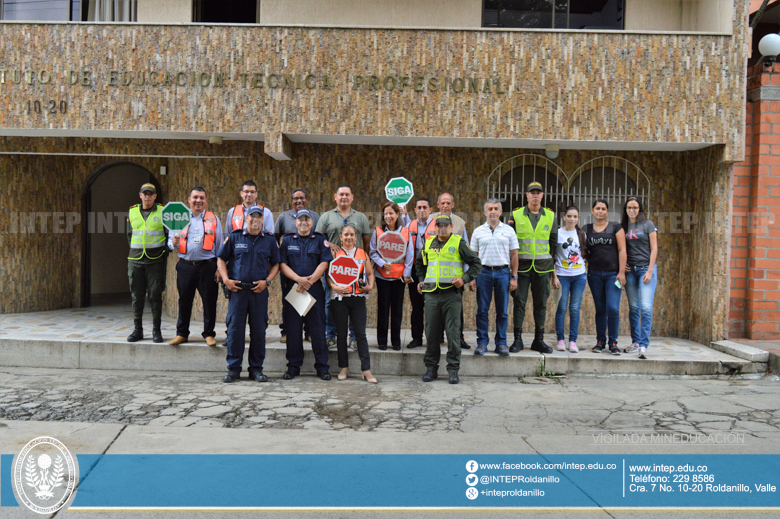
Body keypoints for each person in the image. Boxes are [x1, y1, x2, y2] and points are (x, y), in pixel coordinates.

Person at [417, 214, 482, 384]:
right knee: (431, 334)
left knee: (453, 334)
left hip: (451, 295)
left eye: (445, 225)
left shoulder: (458, 243)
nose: (442, 228)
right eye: (439, 225)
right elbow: (419, 263)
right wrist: (421, 279)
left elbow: (476, 263)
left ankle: (453, 370)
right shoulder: (429, 243)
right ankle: (431, 369)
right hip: (431, 295)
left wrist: (465, 279)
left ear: (451, 227)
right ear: (435, 227)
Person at [217, 206, 280, 382]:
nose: (255, 220)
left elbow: (276, 264)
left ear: (263, 220)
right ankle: (233, 369)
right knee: (235, 330)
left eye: (259, 217)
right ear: (246, 218)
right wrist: (226, 280)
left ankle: (256, 369)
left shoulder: (269, 240)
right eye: (252, 216)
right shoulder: (235, 237)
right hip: (237, 292)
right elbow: (221, 258)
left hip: (258, 292)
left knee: (259, 331)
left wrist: (267, 281)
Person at [315, 184, 371, 350]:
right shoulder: (326, 217)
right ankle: (330, 335)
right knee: (330, 302)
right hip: (334, 269)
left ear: (352, 197)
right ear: (335, 197)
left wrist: (365, 263)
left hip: (357, 268)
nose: (344, 197)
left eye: (347, 194)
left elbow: (366, 242)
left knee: (357, 302)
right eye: (341, 194)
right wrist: (330, 244)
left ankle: (354, 337)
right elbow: (319, 240)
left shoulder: (360, 217)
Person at [278, 209, 332, 380]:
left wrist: (308, 281)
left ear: (311, 222)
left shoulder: (320, 240)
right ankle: (293, 367)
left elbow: (324, 263)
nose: (303, 222)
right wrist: (299, 280)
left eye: (307, 220)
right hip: (294, 289)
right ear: (295, 223)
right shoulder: (287, 241)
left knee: (317, 330)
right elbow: (282, 264)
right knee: (293, 330)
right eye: (300, 220)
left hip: (314, 289)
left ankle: (322, 367)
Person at [169, 187, 223, 346]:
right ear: (189, 200)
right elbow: (170, 243)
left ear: (206, 200)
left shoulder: (214, 219)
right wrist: (173, 243)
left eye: (201, 198)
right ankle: (182, 333)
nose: (198, 201)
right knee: (184, 300)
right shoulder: (179, 218)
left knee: (209, 301)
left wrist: (220, 268)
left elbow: (220, 246)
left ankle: (209, 334)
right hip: (185, 266)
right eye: (195, 197)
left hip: (208, 266)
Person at [507, 181, 558, 354]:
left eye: (538, 193)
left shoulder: (550, 216)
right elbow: (510, 243)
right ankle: (518, 339)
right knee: (519, 302)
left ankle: (539, 340)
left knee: (541, 304)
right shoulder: (516, 214)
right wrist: (511, 271)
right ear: (527, 195)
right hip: (521, 268)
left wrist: (553, 272)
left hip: (543, 268)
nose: (535, 195)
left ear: (542, 195)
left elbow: (553, 244)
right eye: (532, 192)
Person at [327, 224, 377, 383]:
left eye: (352, 235)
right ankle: (344, 367)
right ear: (340, 237)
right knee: (341, 334)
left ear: (356, 237)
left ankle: (366, 369)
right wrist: (334, 286)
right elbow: (327, 275)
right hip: (339, 298)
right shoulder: (334, 254)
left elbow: (370, 273)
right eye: (345, 235)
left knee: (360, 334)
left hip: (358, 298)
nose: (348, 237)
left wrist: (370, 286)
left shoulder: (362, 253)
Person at [469, 198, 519, 356]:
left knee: (502, 311)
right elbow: (473, 257)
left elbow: (514, 254)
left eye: (496, 209)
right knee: (482, 310)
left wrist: (514, 276)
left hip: (503, 273)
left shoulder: (509, 230)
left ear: (500, 211)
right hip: (483, 273)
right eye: (490, 209)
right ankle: (482, 342)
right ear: (485, 212)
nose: (493, 212)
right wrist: (471, 277)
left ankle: (501, 343)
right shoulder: (478, 231)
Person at [275, 188, 320, 344]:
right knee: (288, 299)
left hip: (310, 269)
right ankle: (287, 330)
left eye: (302, 198)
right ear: (291, 200)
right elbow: (275, 237)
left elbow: (320, 239)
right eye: (296, 198)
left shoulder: (315, 217)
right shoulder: (283, 217)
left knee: (310, 299)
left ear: (307, 200)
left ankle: (308, 332)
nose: (299, 201)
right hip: (289, 267)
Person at [126, 183, 168, 343]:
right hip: (135, 260)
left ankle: (156, 331)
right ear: (140, 195)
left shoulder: (163, 211)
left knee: (155, 295)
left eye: (151, 194)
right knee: (136, 296)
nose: (147, 197)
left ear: (155, 196)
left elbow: (168, 232)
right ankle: (138, 330)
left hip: (155, 259)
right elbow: (129, 235)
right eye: (145, 194)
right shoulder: (132, 210)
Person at [369, 202, 414, 351]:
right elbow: (373, 252)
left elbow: (409, 254)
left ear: (397, 215)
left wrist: (407, 274)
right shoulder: (378, 231)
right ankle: (381, 341)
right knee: (382, 309)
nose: (388, 216)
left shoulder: (405, 231)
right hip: (382, 277)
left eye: (391, 213)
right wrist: (381, 263)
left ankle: (396, 341)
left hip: (398, 278)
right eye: (386, 213)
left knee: (396, 311)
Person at [585, 199, 627, 355]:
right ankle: (600, 341)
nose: (600, 211)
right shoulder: (586, 229)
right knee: (600, 309)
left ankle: (613, 342)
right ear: (592, 210)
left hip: (613, 275)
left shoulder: (616, 227)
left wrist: (621, 272)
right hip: (594, 274)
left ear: (607, 211)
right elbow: (583, 251)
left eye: (603, 208)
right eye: (597, 208)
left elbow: (622, 250)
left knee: (613, 308)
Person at [430, 192, 471, 350]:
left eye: (448, 203)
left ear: (453, 205)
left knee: (456, 309)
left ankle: (458, 337)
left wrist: (467, 276)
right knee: (435, 307)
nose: (445, 206)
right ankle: (438, 337)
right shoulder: (431, 219)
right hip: (434, 274)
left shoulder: (460, 222)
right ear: (438, 205)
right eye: (443, 203)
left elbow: (466, 247)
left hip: (455, 275)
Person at [621, 196, 657, 359]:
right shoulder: (623, 226)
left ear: (640, 209)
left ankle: (644, 345)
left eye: (635, 207)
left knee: (646, 307)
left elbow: (654, 248)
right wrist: (623, 266)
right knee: (634, 307)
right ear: (625, 209)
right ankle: (636, 342)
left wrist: (650, 270)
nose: (632, 210)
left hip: (645, 269)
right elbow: (620, 249)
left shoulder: (648, 224)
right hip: (630, 272)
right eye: (629, 207)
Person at [551, 206, 588, 353]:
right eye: (569, 216)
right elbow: (553, 256)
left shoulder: (582, 234)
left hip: (579, 276)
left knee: (574, 308)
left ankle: (573, 341)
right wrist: (554, 276)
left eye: (575, 216)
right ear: (564, 217)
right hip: (562, 276)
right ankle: (560, 339)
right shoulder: (558, 233)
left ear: (578, 218)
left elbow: (585, 253)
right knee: (561, 307)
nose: (572, 219)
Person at [405, 198, 436, 349]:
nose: (422, 210)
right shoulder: (409, 225)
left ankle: (432, 338)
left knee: (432, 306)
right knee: (416, 306)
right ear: (415, 210)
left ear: (431, 209)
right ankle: (416, 338)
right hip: (415, 270)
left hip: (432, 271)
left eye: (425, 207)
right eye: (419, 207)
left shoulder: (438, 225)